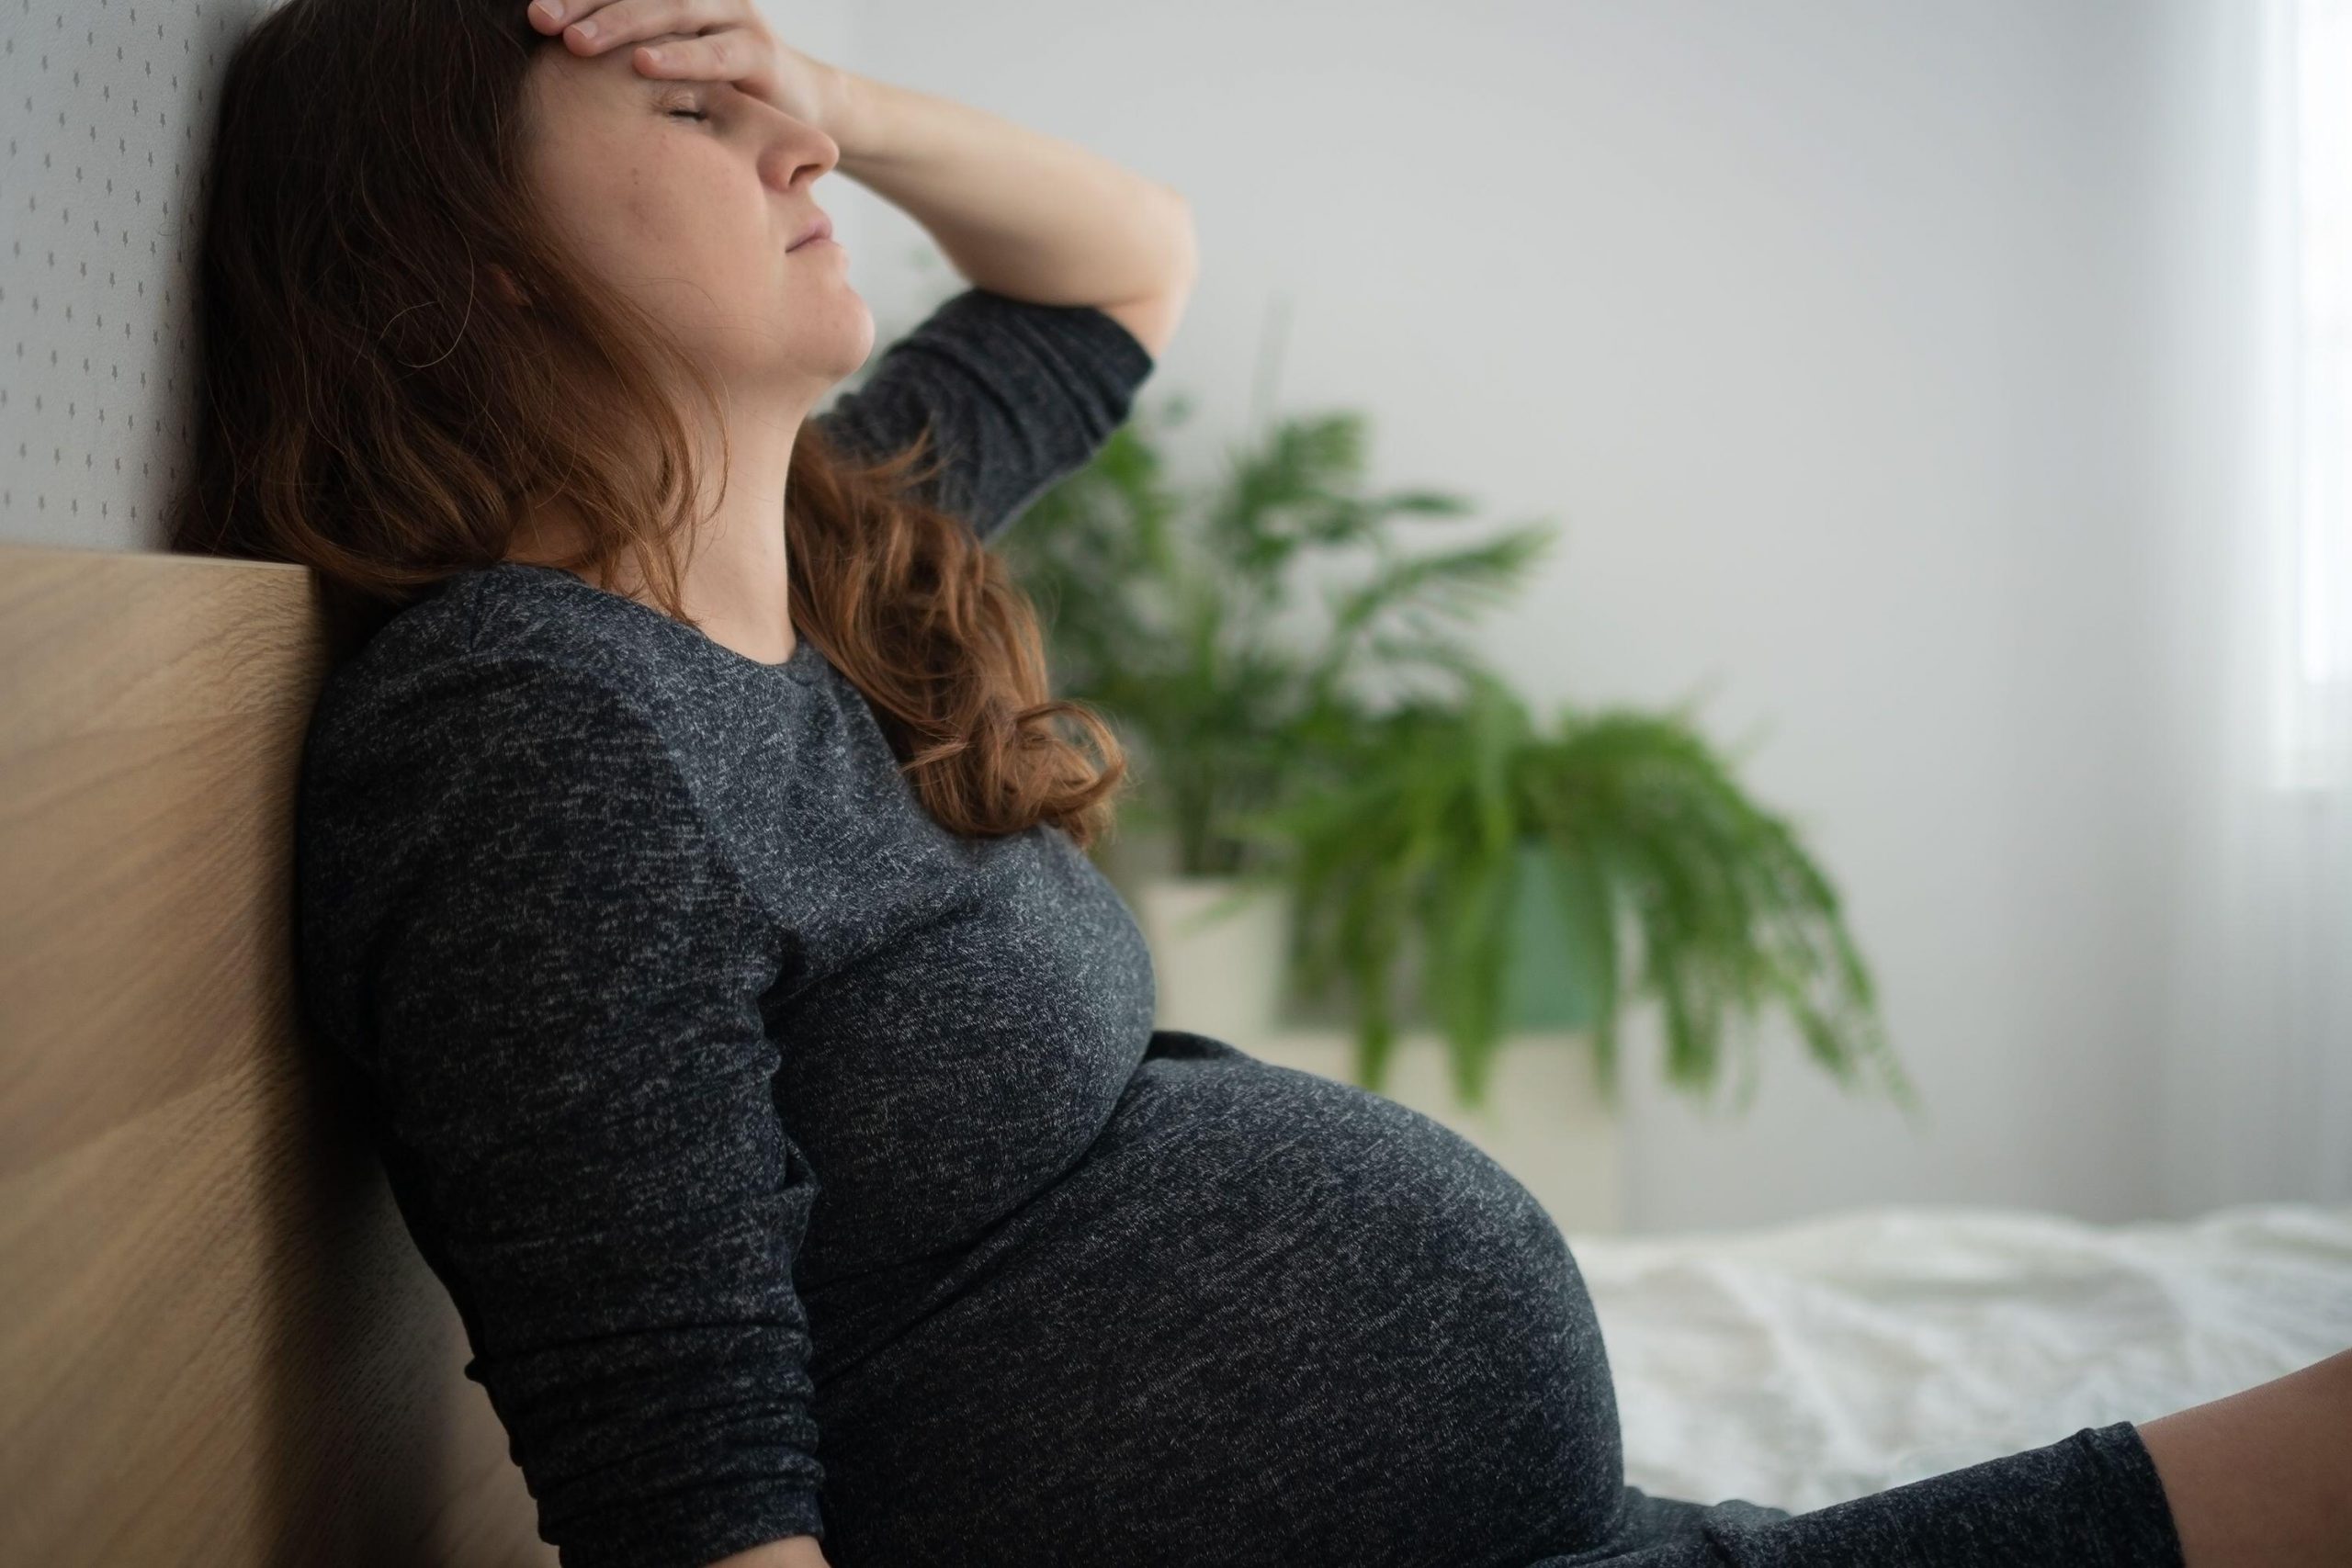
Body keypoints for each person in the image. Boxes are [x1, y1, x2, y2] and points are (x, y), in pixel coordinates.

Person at [175, 2, 2348, 1565]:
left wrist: (831, 91)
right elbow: (688, 1473)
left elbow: (1122, 258)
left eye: (776, 99)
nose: (795, 150)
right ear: (464, 255)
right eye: (688, 102)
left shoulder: (837, 552)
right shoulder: (537, 724)